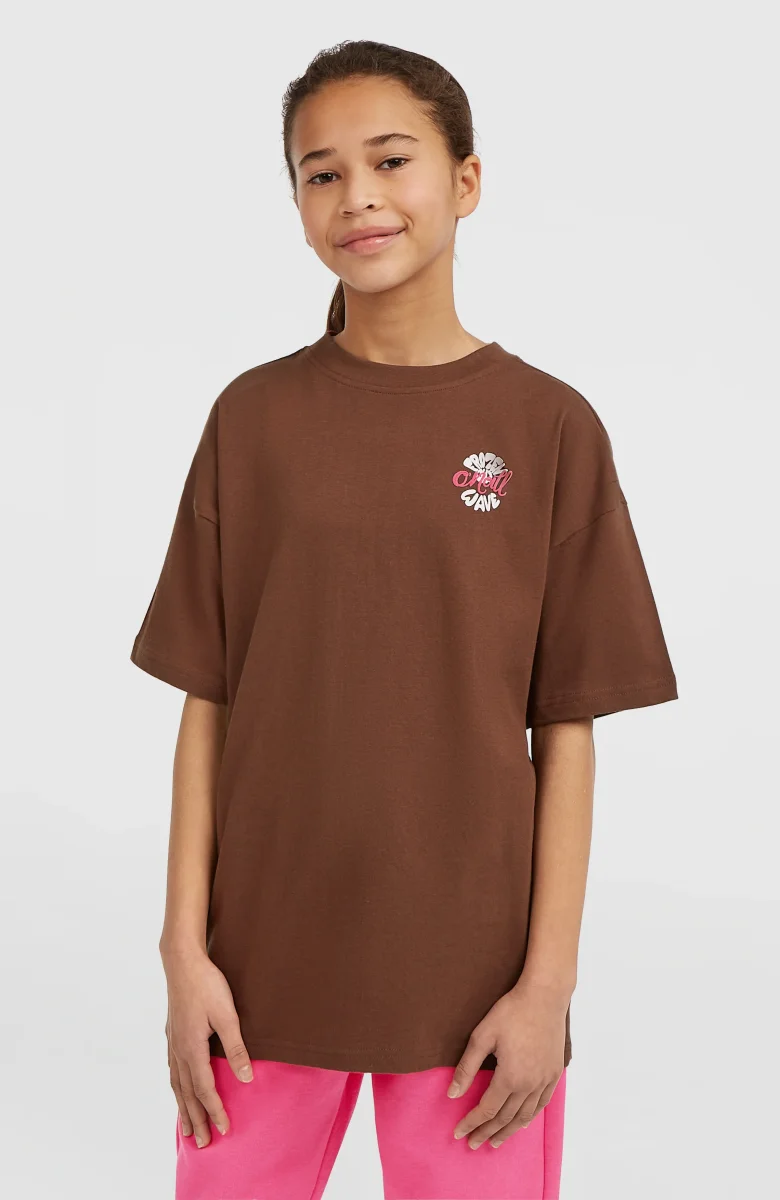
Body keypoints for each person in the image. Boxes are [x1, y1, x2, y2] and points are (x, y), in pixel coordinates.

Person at [129, 39, 678, 1200]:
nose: (358, 197)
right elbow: (208, 702)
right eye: (320, 173)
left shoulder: (549, 430)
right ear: (296, 205)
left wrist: (546, 988)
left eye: (391, 160)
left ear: (465, 180)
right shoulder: (252, 421)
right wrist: (183, 953)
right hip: (259, 976)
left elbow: (567, 729)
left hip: (475, 996)